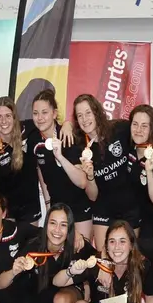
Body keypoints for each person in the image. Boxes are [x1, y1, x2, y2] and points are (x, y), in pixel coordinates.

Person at [73, 94, 137, 247]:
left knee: (131, 259)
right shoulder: (80, 148)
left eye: (88, 113)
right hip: (103, 211)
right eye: (79, 115)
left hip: (130, 208)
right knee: (104, 260)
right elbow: (93, 196)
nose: (84, 119)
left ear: (97, 112)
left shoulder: (120, 129)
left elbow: (146, 132)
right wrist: (90, 176)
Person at [26, 90, 92, 240]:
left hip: (79, 208)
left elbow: (82, 182)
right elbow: (40, 170)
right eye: (35, 113)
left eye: (45, 112)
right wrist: (49, 203)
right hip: (57, 210)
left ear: (55, 114)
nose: (40, 118)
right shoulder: (34, 140)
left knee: (82, 255)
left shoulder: (68, 136)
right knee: (59, 259)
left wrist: (60, 157)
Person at [0, 97, 41, 226]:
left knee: (31, 245)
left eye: (8, 116)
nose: (4, 121)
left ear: (15, 118)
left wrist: (67, 125)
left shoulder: (29, 131)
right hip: (5, 213)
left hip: (29, 210)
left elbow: (50, 123)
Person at [127, 104, 153, 240]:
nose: (138, 130)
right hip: (130, 222)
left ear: (152, 129)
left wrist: (149, 172)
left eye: (144, 126)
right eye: (135, 124)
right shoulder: (128, 148)